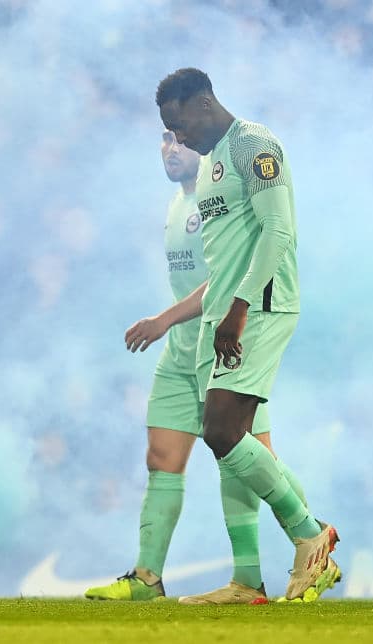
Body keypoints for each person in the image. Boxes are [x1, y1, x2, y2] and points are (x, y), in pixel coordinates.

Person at [84, 130, 312, 605]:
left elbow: (226, 277)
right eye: (163, 138)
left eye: (180, 139)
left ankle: (299, 548)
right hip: (181, 353)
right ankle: (148, 578)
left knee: (245, 455)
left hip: (225, 342)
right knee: (163, 459)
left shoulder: (218, 194)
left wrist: (163, 319)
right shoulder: (175, 204)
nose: (171, 147)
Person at [154, 68, 339, 602]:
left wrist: (237, 308)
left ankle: (311, 536)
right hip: (227, 312)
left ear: (204, 103)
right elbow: (229, 250)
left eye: (179, 123)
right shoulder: (211, 163)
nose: (178, 137)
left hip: (258, 308)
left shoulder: (254, 145)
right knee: (237, 443)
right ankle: (247, 582)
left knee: (221, 432)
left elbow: (279, 230)